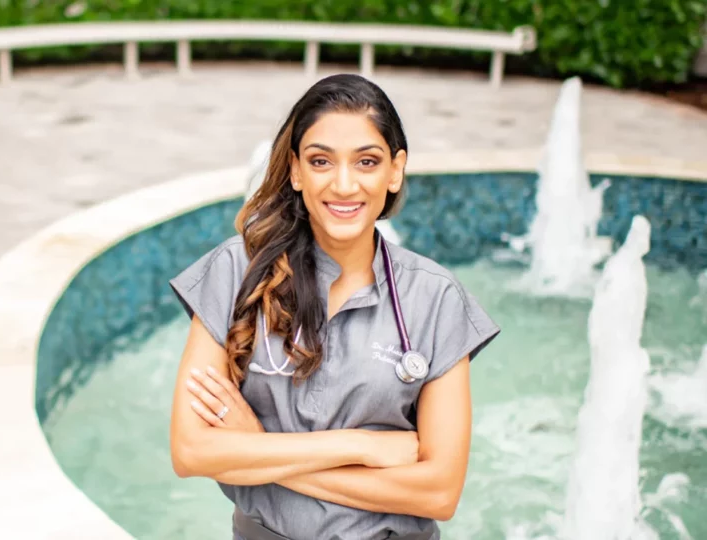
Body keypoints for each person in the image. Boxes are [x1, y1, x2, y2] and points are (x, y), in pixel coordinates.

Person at [168, 73, 500, 540]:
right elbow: (190, 451)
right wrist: (359, 446)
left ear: (395, 170)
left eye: (367, 161)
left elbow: (438, 493)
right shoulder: (235, 271)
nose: (344, 185)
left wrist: (258, 449)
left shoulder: (436, 298)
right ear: (295, 171)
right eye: (321, 161)